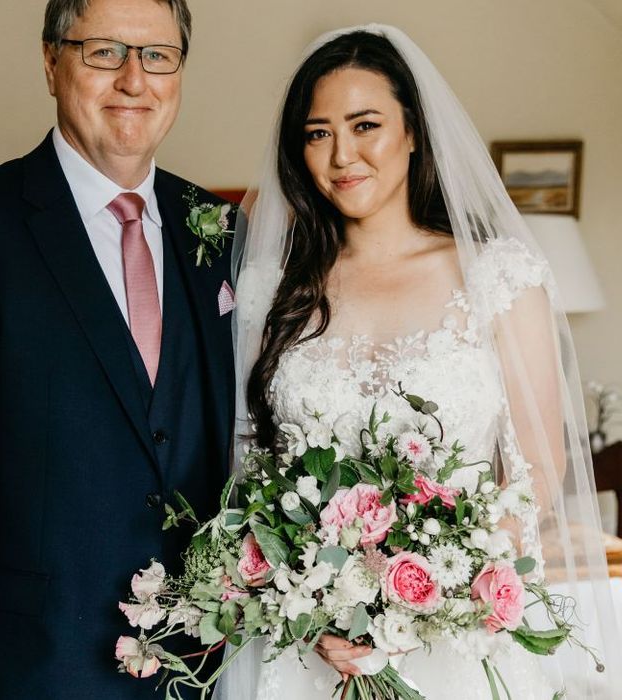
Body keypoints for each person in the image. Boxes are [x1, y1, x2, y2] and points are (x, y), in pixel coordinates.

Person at [220, 24, 620, 700]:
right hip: (308, 647)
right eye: (318, 133)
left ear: (413, 131)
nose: (342, 154)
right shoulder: (271, 288)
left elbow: (539, 468)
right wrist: (307, 599)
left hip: (455, 641)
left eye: (365, 124)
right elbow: (247, 464)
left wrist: (431, 587)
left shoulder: (499, 277)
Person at [0, 1, 234, 698]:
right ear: (51, 61)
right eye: (104, 52)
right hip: (33, 676)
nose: (135, 79)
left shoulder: (225, 235)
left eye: (158, 56)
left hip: (204, 675)